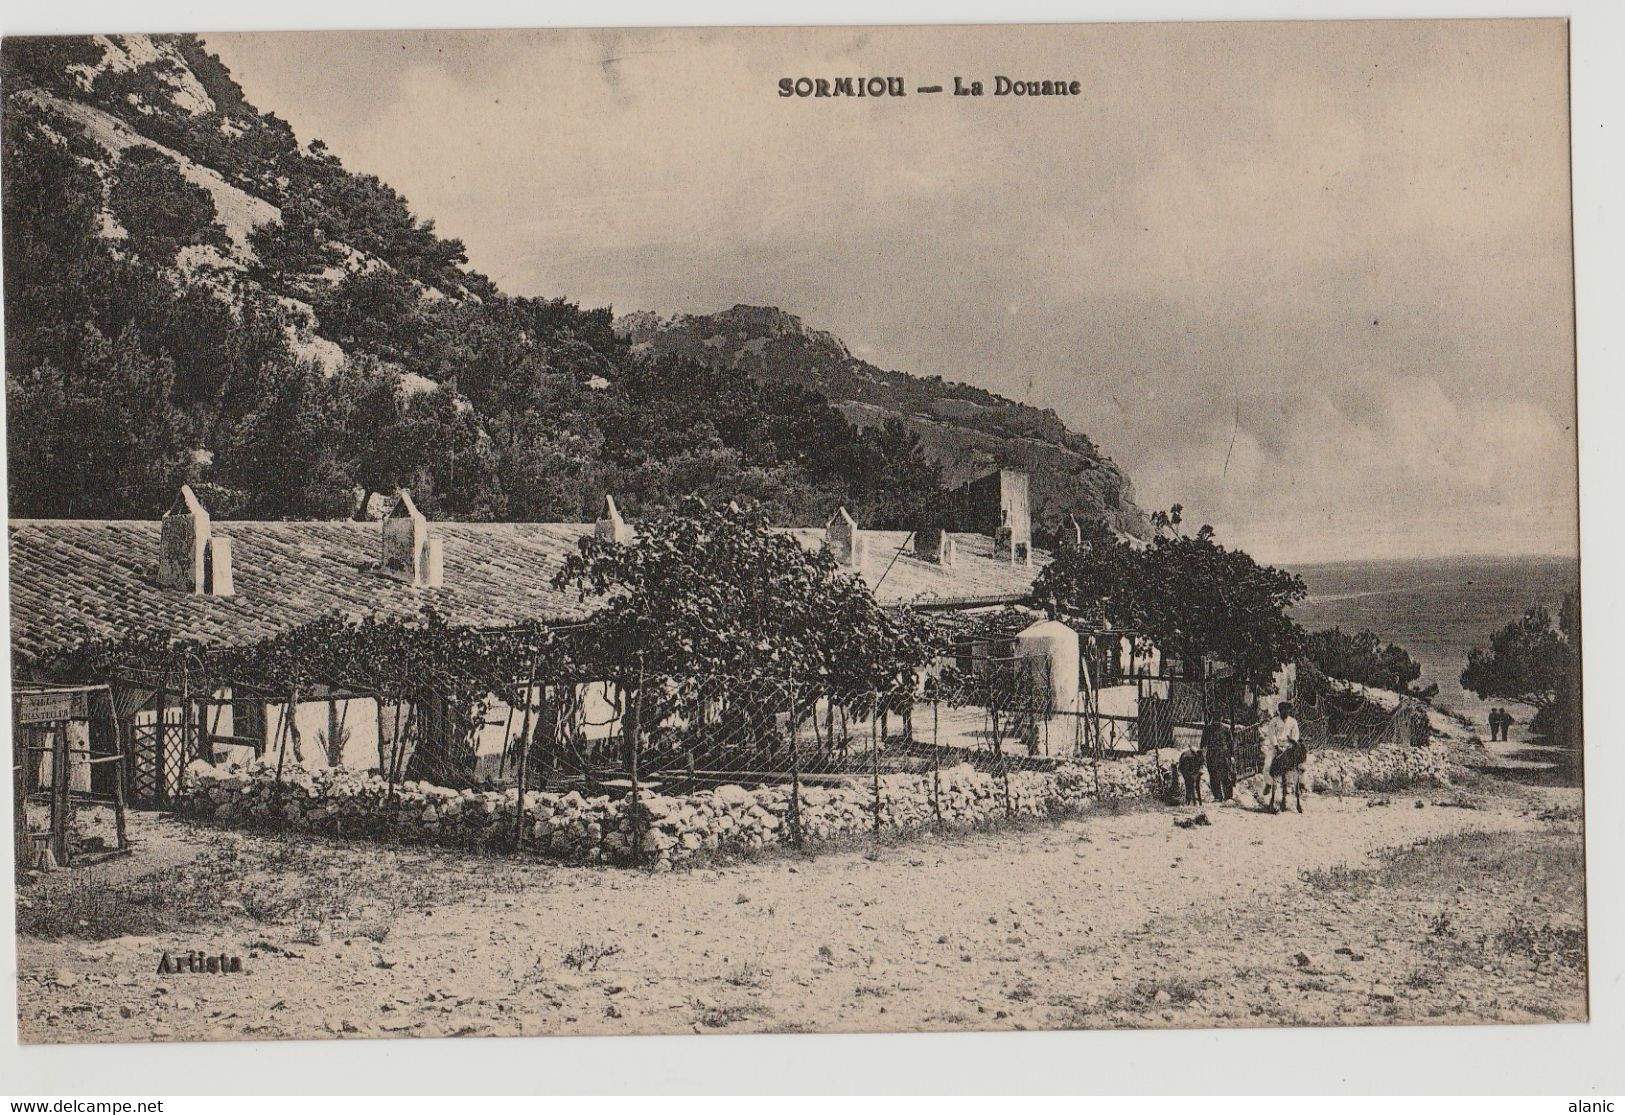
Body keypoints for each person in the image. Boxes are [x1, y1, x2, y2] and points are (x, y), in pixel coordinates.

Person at [1258, 701, 1304, 814]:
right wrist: (1276, 746)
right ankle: (1269, 784)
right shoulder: (1274, 721)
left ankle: (1301, 784)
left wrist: (1293, 742)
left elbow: (1296, 734)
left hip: (1289, 746)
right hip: (1276, 746)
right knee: (1268, 765)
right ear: (1280, 711)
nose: (1285, 712)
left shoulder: (1293, 721)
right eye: (1283, 710)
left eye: (1287, 710)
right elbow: (1271, 734)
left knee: (1301, 766)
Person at [1202, 715, 1235, 802]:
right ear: (1212, 719)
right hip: (1212, 755)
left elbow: (1231, 744)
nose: (1216, 721)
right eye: (1215, 719)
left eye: (1218, 719)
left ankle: (1228, 797)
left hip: (1223, 755)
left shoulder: (1226, 729)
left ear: (1221, 719)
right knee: (1213, 776)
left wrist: (1231, 756)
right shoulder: (1207, 729)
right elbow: (1203, 744)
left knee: (1226, 775)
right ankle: (1217, 796)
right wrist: (1203, 755)